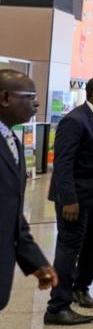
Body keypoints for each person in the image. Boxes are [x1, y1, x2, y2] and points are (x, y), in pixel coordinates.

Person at [44, 76, 93, 325]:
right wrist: (68, 200)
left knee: (92, 246)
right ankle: (57, 306)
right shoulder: (74, 120)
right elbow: (62, 163)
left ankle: (80, 287)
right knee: (69, 249)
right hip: (75, 199)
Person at [0, 70, 56, 311]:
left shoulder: (13, 142)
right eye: (30, 95)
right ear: (4, 98)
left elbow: (9, 211)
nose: (37, 102)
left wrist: (36, 262)